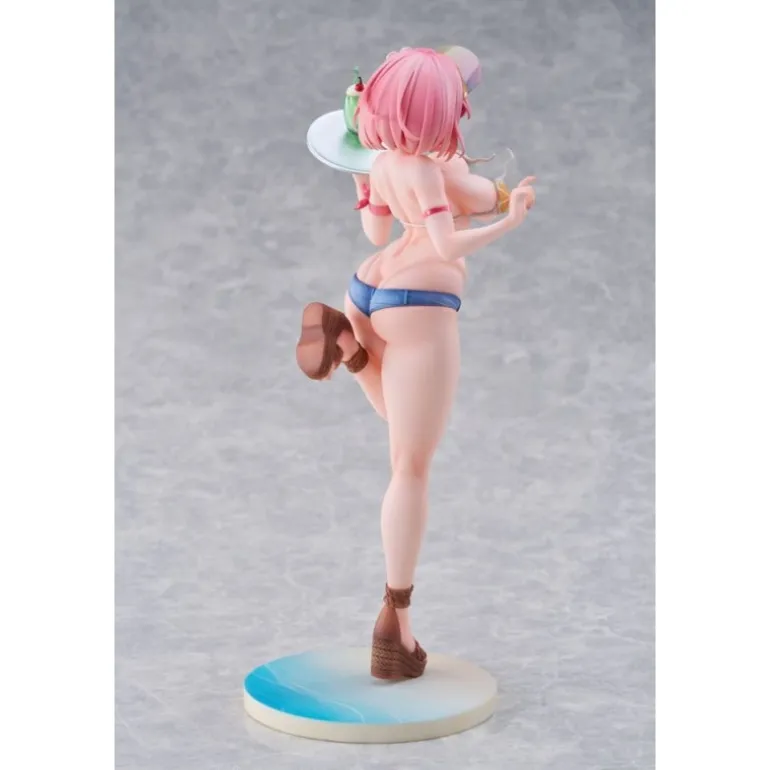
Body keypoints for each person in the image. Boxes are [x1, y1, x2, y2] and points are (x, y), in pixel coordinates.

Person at [296, 47, 536, 680]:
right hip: (420, 298)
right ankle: (395, 619)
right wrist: (509, 220)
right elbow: (447, 242)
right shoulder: (435, 169)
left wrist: (362, 180)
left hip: (369, 284)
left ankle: (349, 346)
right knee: (410, 467)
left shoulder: (383, 162)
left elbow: (376, 234)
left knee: (394, 418)